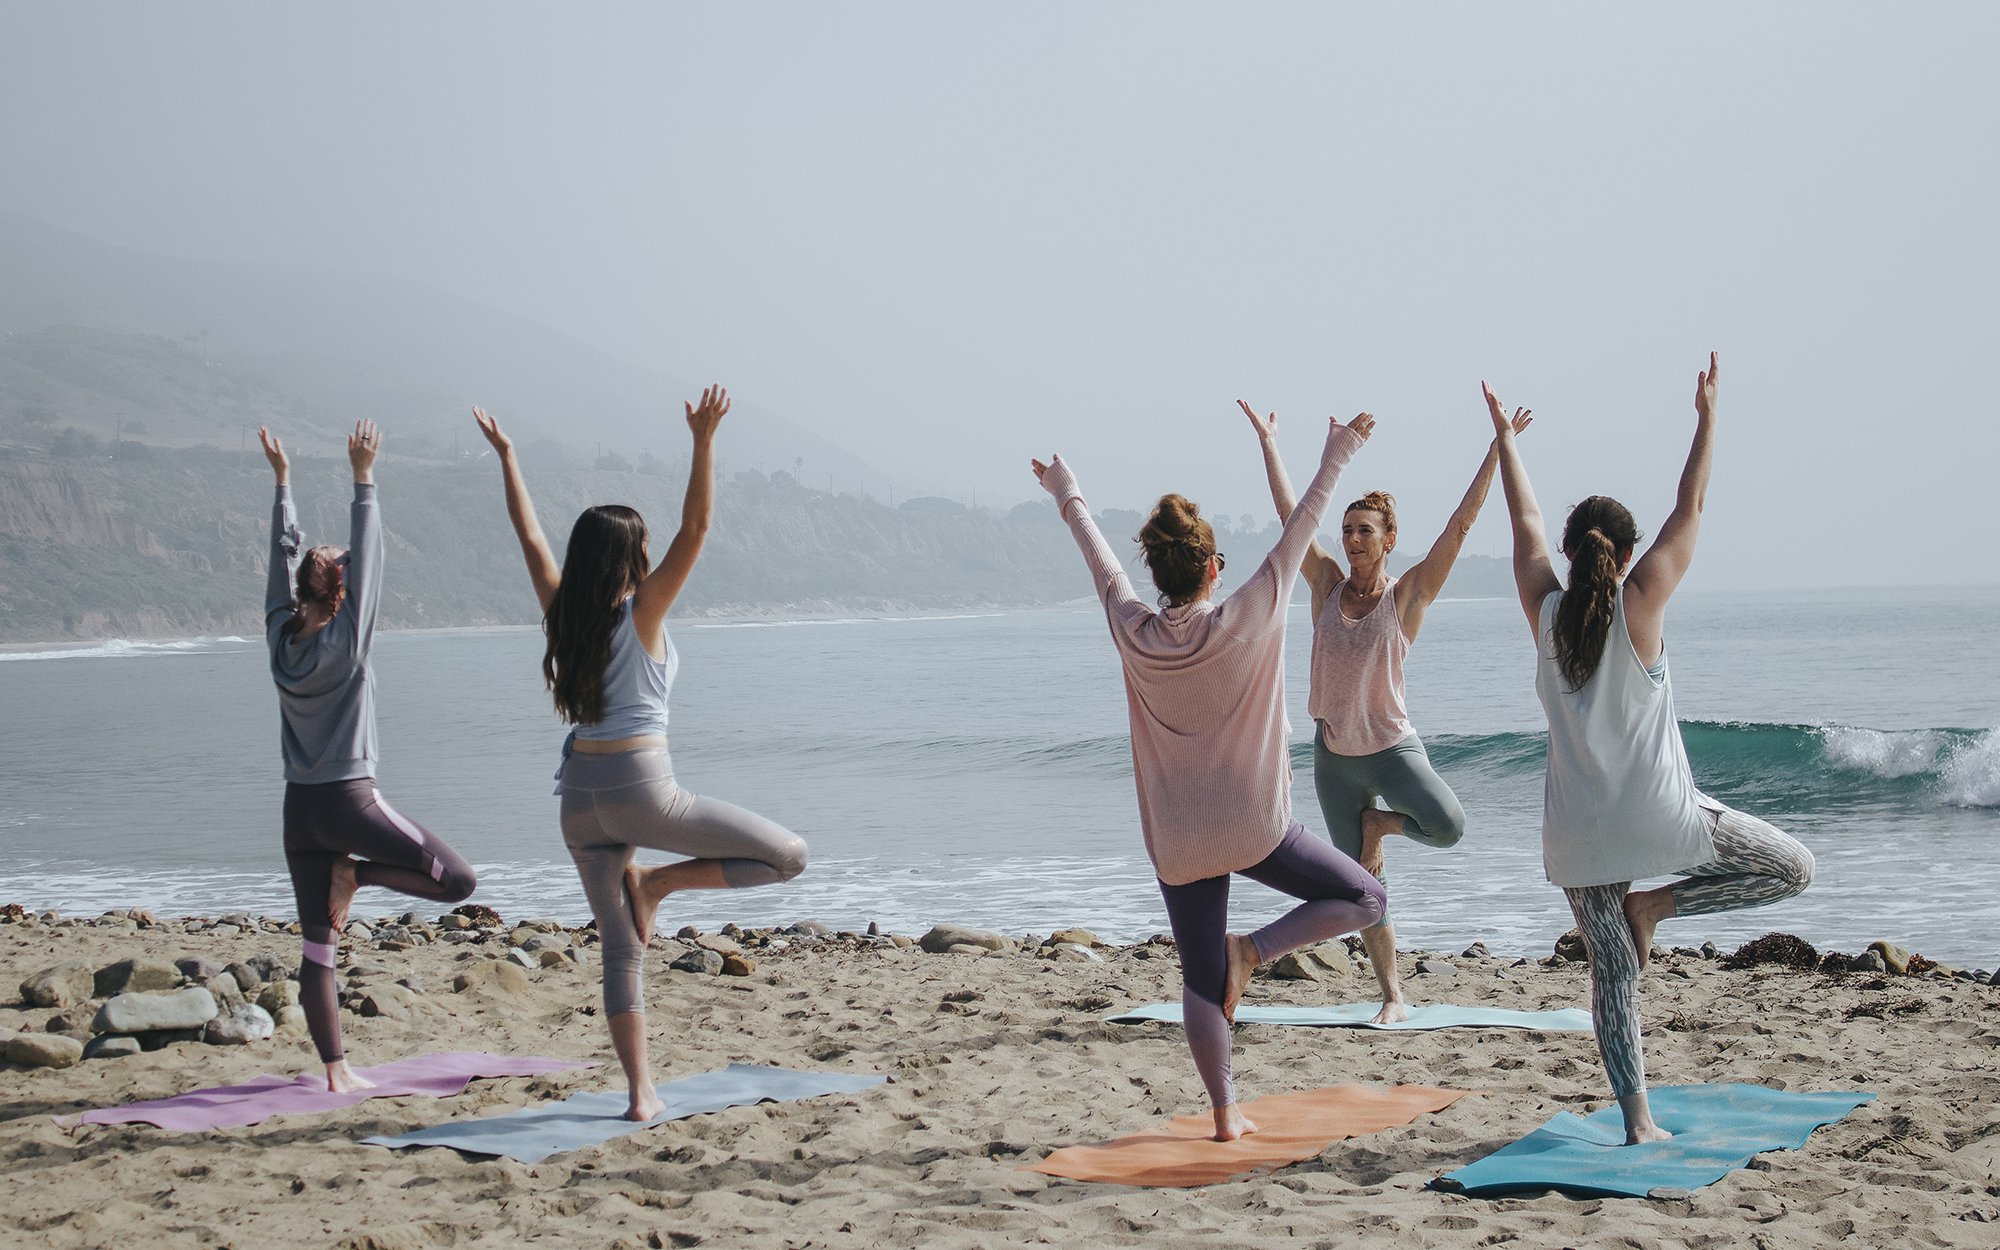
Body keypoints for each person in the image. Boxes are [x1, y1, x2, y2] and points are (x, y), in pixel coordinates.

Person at [1032, 410, 1387, 1142]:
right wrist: (1339, 451)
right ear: (1214, 568)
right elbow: (1305, 526)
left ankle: (1225, 1117)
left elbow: (1100, 560)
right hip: (1255, 827)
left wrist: (1067, 492)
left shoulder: (1131, 627)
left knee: (1199, 983)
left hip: (1179, 841)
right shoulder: (1248, 615)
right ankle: (1253, 951)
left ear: (1158, 574)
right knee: (1366, 897)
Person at [1485, 355, 1813, 1143]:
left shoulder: (1545, 612)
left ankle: (1639, 1124)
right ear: (1625, 556)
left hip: (1577, 837)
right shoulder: (1644, 603)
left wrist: (1507, 443)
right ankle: (1659, 903)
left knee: (1612, 978)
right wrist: (1706, 418)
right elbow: (1691, 504)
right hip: (1663, 821)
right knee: (1793, 869)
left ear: (1570, 554)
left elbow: (1522, 528)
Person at [474, 387, 807, 1122]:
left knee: (619, 953)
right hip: (641, 791)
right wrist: (703, 440)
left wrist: (508, 458)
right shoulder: (643, 610)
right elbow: (699, 526)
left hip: (576, 805)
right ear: (634, 556)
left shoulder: (564, 614)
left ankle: (639, 1094)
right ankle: (657, 883)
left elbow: (530, 540)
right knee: (788, 857)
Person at [1238, 400, 1533, 1023]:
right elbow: (1294, 516)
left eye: (1364, 530)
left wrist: (1497, 448)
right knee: (1364, 895)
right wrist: (1269, 442)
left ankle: (1382, 826)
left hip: (1393, 751)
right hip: (1334, 760)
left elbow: (1460, 526)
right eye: (1347, 530)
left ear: (1389, 539)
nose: (1351, 540)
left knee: (1448, 825)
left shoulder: (1409, 596)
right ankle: (1393, 995)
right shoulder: (1322, 585)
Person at [261, 420, 477, 1093]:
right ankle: (358, 877)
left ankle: (335, 1071)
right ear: (340, 593)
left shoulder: (278, 635)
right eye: (338, 563)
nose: (342, 561)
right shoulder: (349, 640)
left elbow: (279, 556)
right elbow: (370, 551)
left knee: (317, 948)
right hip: (351, 805)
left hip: (301, 813)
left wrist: (284, 486)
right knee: (458, 881)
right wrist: (363, 478)